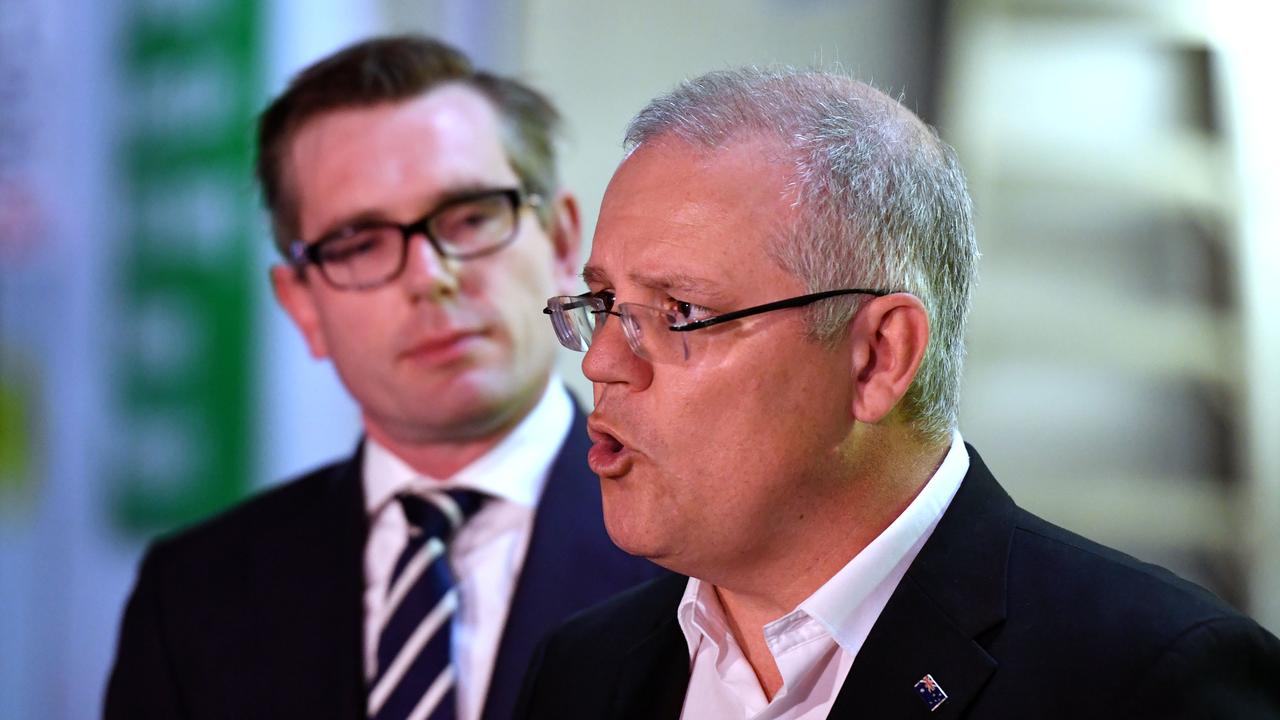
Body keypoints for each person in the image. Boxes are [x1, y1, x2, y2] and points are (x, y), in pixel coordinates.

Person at [521, 67, 1280, 719]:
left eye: (680, 312)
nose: (602, 364)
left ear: (878, 358)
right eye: (603, 304)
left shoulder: (1152, 681)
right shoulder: (583, 669)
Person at [105, 35, 661, 720]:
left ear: (560, 240)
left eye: (470, 216)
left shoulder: (701, 556)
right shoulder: (191, 593)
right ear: (302, 305)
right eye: (361, 243)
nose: (431, 277)